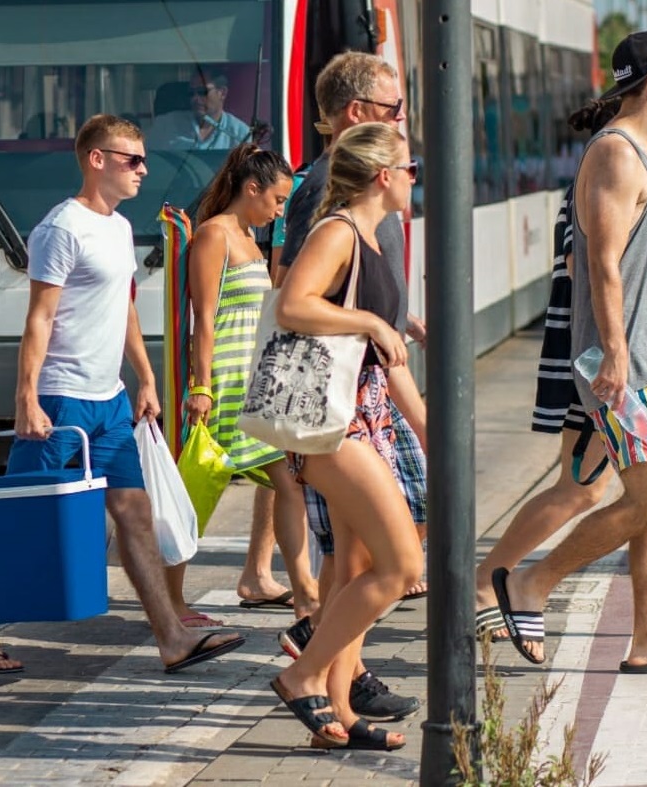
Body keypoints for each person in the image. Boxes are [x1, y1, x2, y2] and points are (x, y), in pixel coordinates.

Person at [0, 114, 245, 674]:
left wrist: (146, 376)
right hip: (60, 399)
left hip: (108, 401)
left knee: (135, 513)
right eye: (132, 159)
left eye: (143, 159)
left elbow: (125, 308)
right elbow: (39, 319)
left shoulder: (117, 227)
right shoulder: (61, 229)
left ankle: (171, 637)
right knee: (22, 514)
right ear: (96, 160)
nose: (143, 168)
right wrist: (26, 399)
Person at [493, 31, 647, 673]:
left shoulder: (637, 151)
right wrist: (613, 352)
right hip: (627, 362)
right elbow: (599, 262)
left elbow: (620, 247)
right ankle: (530, 583)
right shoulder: (614, 153)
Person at [273, 52, 424, 724]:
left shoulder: (363, 228)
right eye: (409, 165)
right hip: (336, 419)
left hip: (360, 414)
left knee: (360, 561)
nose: (416, 177)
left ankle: (336, 707)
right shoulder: (334, 221)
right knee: (394, 564)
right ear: (383, 173)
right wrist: (369, 319)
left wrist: (390, 320)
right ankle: (307, 672)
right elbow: (292, 302)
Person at [178, 143, 317, 625]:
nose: (279, 211)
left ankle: (299, 592)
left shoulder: (246, 236)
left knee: (287, 483)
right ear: (251, 188)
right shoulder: (214, 234)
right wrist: (202, 387)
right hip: (224, 387)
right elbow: (205, 316)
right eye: (276, 201)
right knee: (194, 497)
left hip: (251, 384)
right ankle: (170, 597)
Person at [148, 70, 250, 151]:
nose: (195, 99)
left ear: (222, 93)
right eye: (191, 93)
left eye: (202, 92)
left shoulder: (240, 134)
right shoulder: (165, 125)